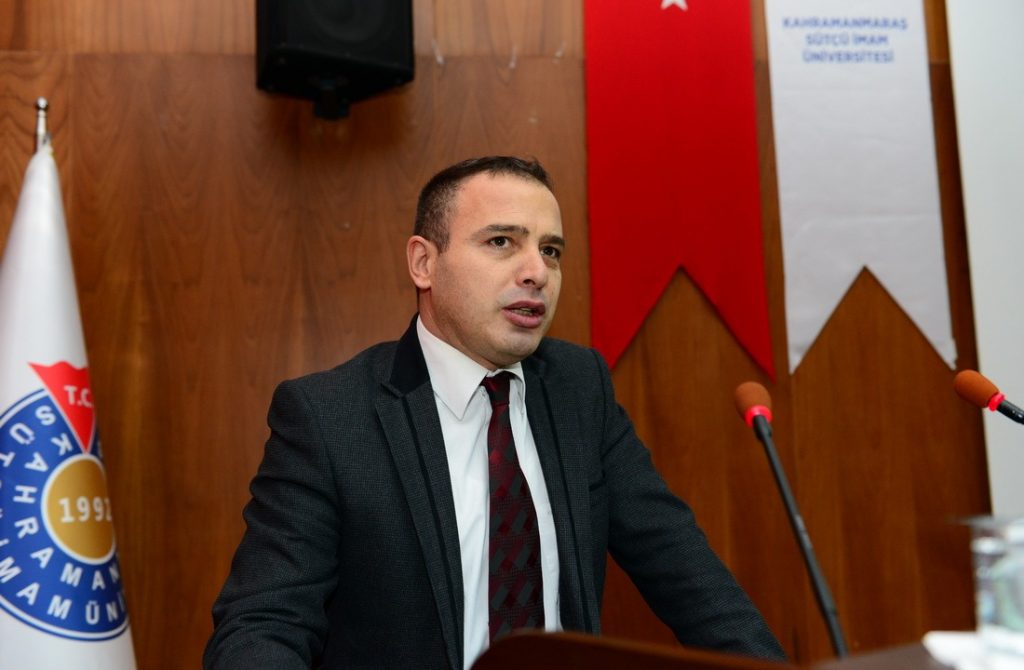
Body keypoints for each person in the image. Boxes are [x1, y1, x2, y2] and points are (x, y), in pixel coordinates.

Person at [204, 156, 785, 669]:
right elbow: (264, 623)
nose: (537, 272)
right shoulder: (330, 417)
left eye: (550, 250)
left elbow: (687, 575)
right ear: (423, 263)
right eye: (502, 242)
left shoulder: (579, 389)